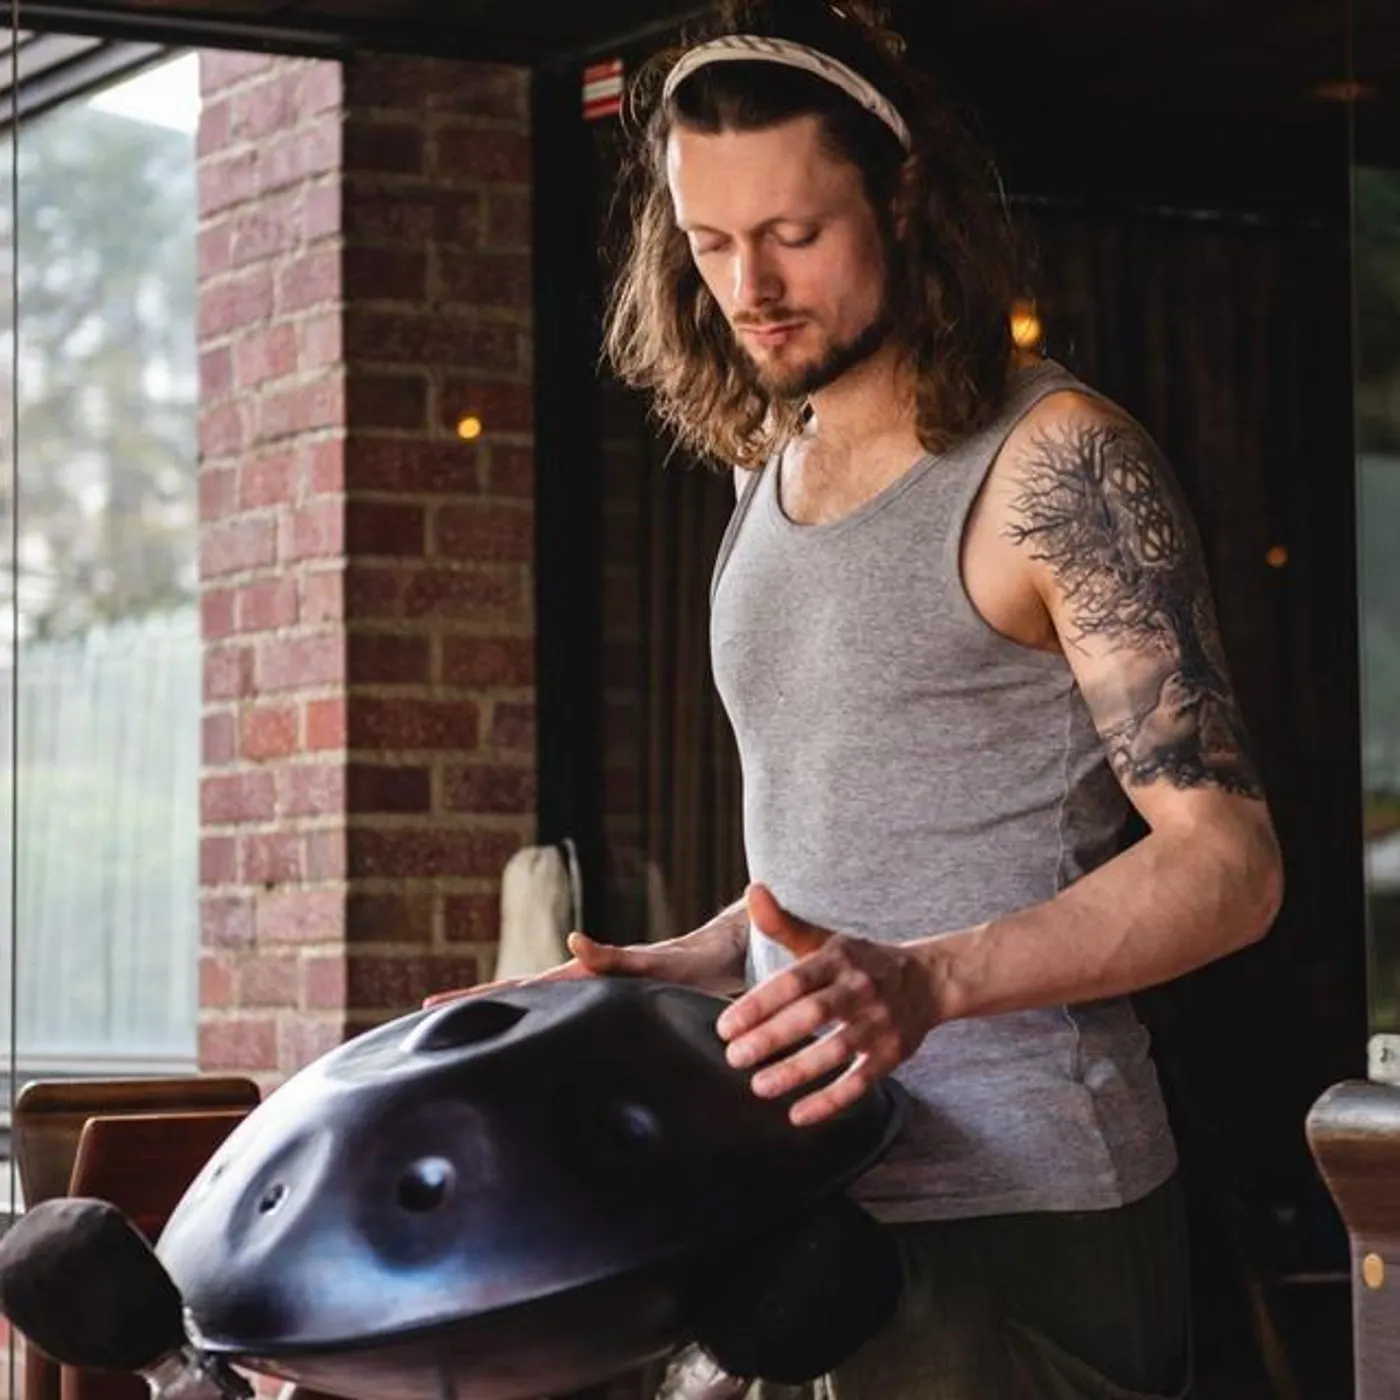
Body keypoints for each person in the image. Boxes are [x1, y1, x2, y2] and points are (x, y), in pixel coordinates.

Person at [429, 2, 1284, 1395]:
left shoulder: (1056, 466)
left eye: (796, 235)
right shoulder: (767, 474)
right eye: (712, 245)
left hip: (1022, 1212)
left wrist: (929, 981)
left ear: (903, 197)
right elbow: (880, 822)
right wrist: (724, 954)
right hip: (793, 1197)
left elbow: (1229, 867)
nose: (751, 285)